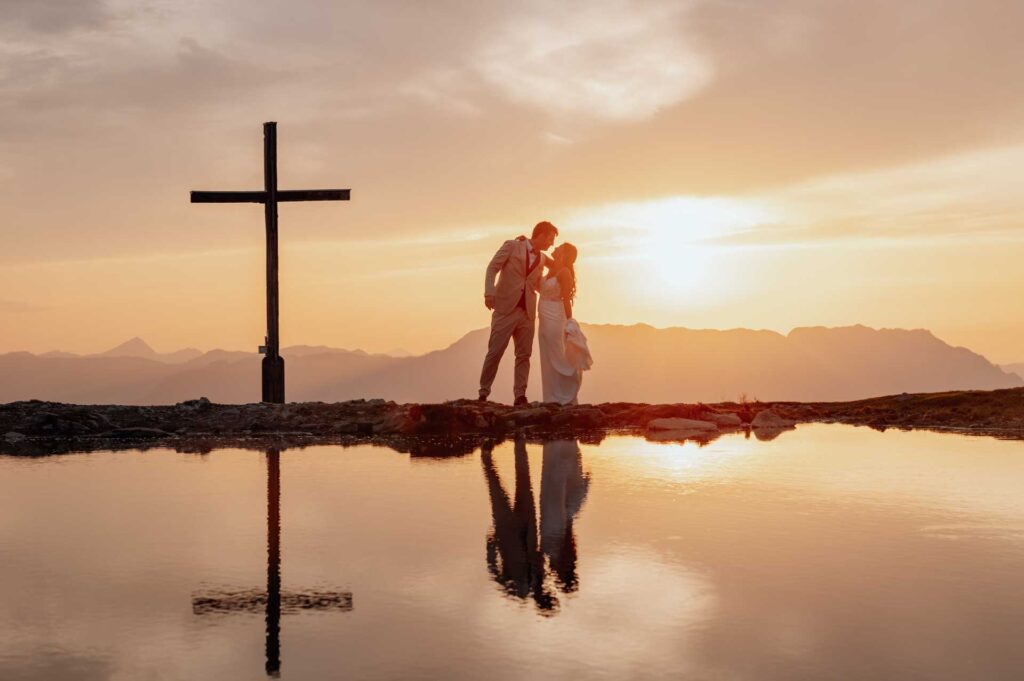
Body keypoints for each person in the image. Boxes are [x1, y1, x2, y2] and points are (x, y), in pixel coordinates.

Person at [478, 221, 558, 406]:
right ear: (541, 235)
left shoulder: (543, 259)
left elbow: (553, 271)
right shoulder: (513, 245)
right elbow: (492, 268)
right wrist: (489, 293)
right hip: (505, 308)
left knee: (524, 355)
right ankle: (483, 392)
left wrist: (555, 291)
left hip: (528, 312)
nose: (551, 244)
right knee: (495, 351)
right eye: (551, 239)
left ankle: (520, 396)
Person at [537, 243, 592, 405]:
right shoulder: (551, 268)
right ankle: (551, 396)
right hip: (544, 316)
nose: (555, 247)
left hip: (555, 316)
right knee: (547, 354)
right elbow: (535, 255)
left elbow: (566, 299)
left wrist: (569, 321)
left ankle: (565, 393)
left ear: (564, 254)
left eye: (559, 247)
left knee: (558, 353)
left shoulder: (564, 272)